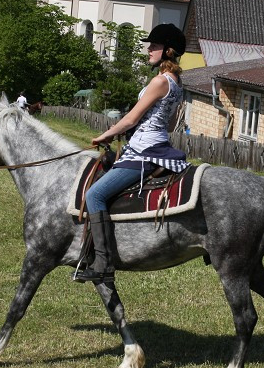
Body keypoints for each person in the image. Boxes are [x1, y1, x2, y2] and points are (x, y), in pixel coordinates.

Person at [73, 23, 189, 283]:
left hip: (143, 151)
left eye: (155, 46)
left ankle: (102, 263)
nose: (149, 49)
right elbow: (168, 124)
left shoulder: (159, 81)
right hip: (155, 145)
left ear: (168, 51)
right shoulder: (177, 83)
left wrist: (106, 135)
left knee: (95, 194)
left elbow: (131, 118)